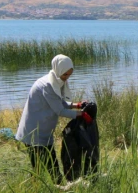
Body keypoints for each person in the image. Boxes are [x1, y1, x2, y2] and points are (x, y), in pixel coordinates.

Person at [15, 54, 92, 183]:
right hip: (33, 132)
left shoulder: (56, 81)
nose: (67, 78)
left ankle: (49, 188)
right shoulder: (47, 85)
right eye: (65, 75)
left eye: (69, 75)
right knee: (45, 167)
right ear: (58, 70)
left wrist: (76, 105)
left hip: (44, 131)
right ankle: (47, 191)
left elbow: (59, 102)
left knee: (49, 164)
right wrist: (81, 114)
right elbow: (59, 110)